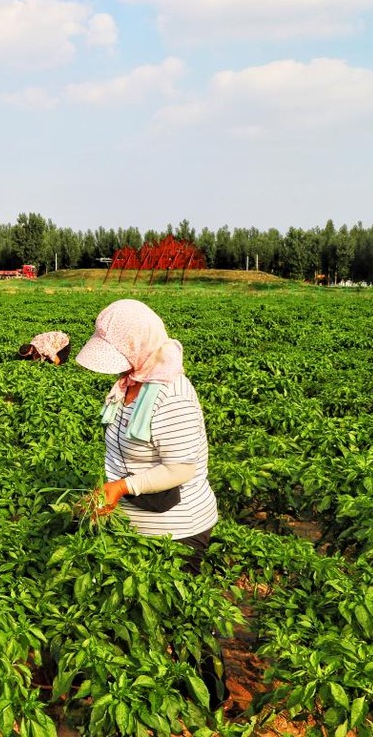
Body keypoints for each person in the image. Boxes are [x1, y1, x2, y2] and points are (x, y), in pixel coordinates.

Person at [74, 298, 227, 709]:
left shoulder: (171, 394)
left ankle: (210, 697)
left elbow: (179, 468)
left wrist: (121, 488)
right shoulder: (128, 382)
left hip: (178, 526)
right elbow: (119, 448)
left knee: (185, 612)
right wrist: (109, 492)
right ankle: (149, 684)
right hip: (137, 521)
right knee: (142, 607)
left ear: (140, 346)